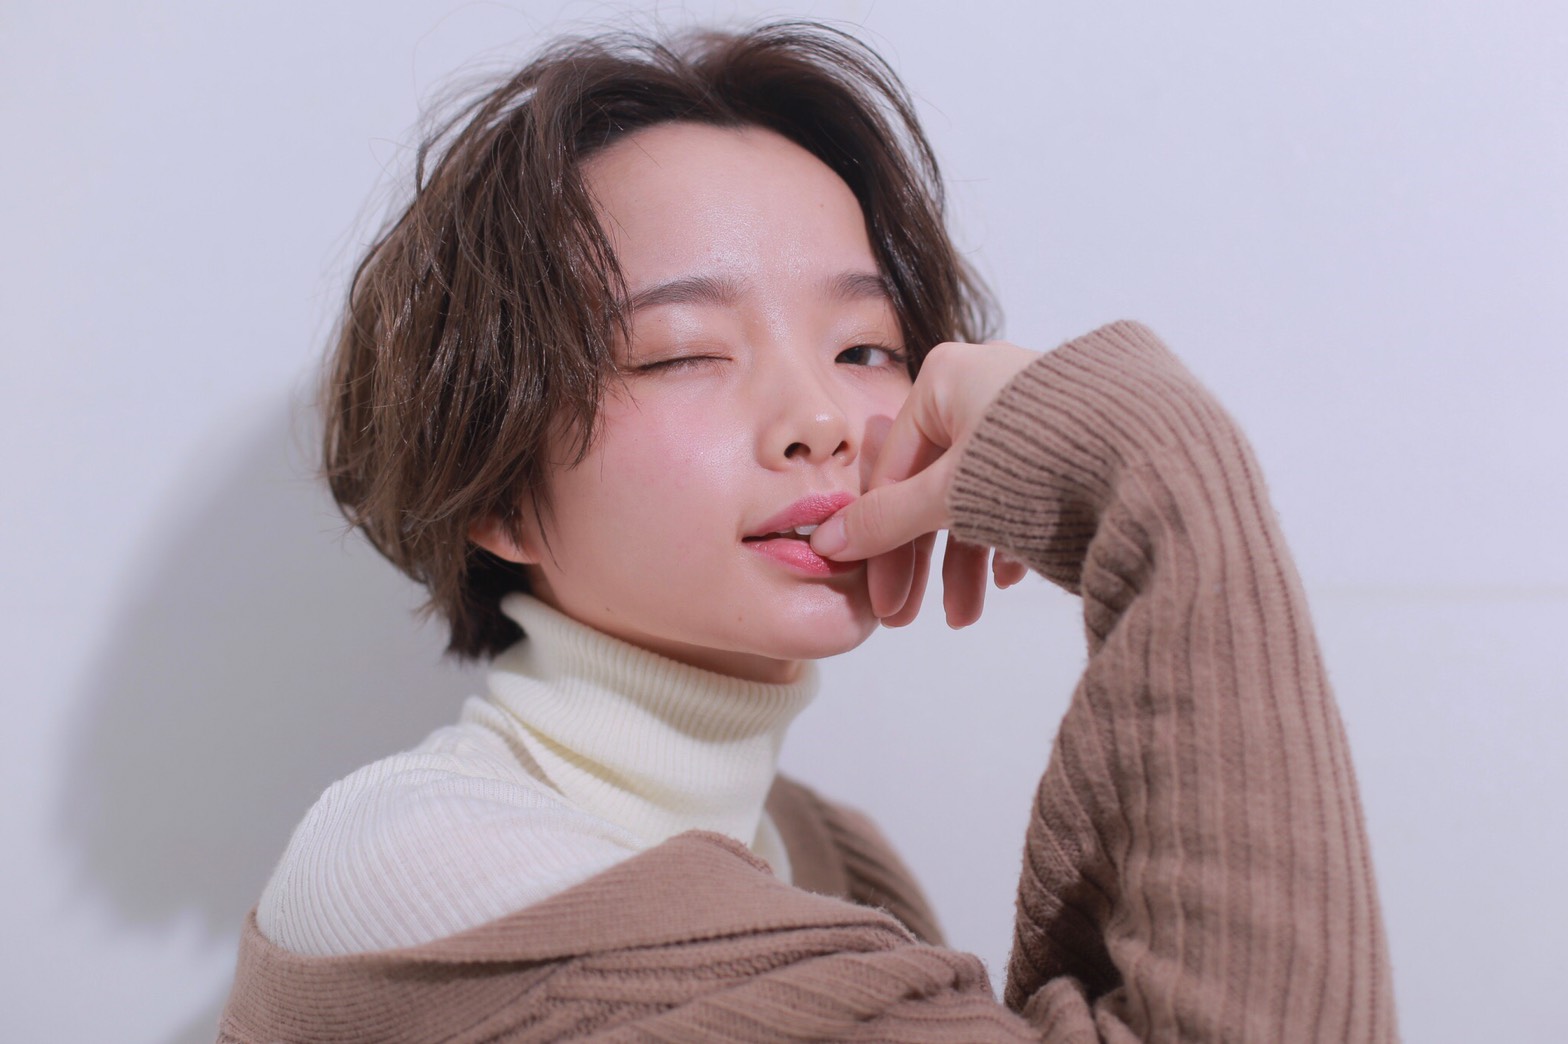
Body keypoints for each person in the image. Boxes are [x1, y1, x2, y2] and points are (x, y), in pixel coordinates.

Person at [218, 20, 1398, 1041]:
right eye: (680, 353)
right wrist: (1156, 474)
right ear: (496, 489)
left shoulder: (823, 856)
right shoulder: (423, 869)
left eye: (865, 349)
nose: (819, 421)